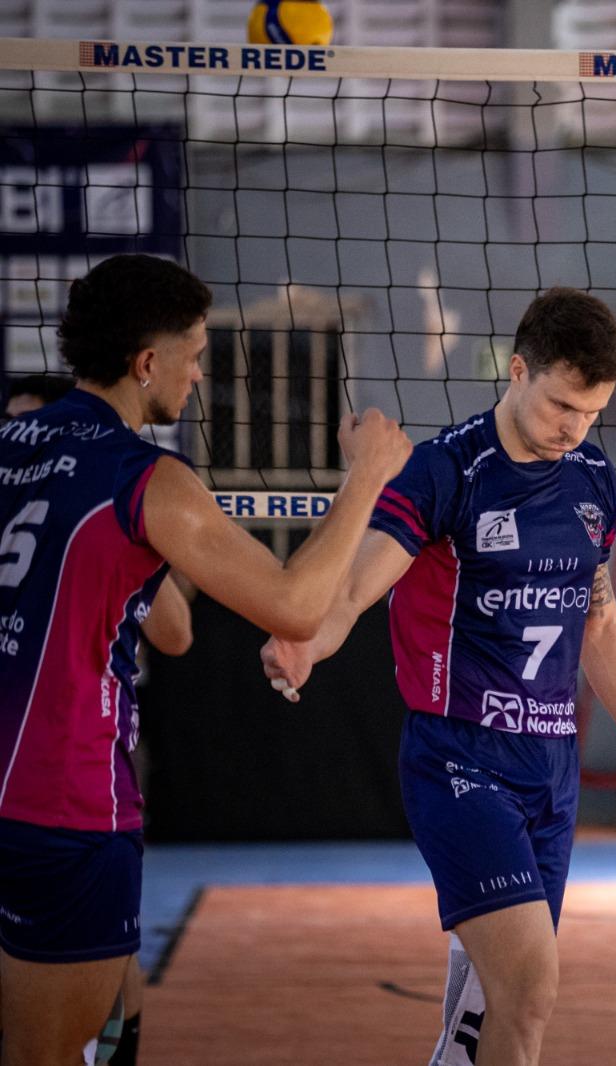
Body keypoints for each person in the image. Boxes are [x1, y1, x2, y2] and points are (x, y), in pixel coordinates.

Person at [260, 286, 616, 1066]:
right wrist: (307, 642)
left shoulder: (592, 477)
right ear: (517, 371)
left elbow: (598, 622)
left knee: (495, 1010)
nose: (575, 428)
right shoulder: (447, 471)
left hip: (551, 769)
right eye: (562, 406)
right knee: (529, 988)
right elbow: (356, 588)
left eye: (592, 413)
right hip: (461, 759)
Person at [0, 253, 412, 1066]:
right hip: (65, 803)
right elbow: (293, 604)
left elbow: (170, 628)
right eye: (192, 356)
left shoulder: (11, 444)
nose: (197, 376)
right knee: (47, 1054)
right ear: (146, 362)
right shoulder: (147, 478)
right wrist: (365, 478)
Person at [2, 371, 198, 1066]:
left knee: (99, 954)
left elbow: (176, 633)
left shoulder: (111, 493)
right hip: (29, 775)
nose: (24, 441)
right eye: (14, 426)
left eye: (33, 423)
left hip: (79, 758)